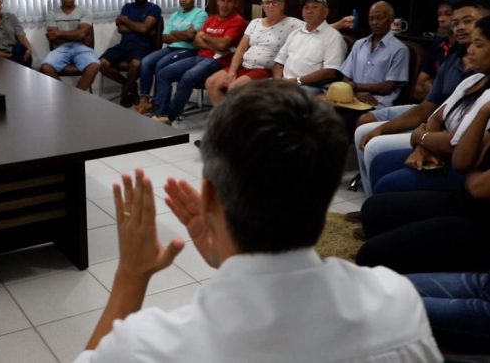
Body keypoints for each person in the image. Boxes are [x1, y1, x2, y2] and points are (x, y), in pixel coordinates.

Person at [75, 80, 440, 362]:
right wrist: (227, 255)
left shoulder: (146, 347)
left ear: (211, 196)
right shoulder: (397, 305)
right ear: (328, 189)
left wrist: (130, 276)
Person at [352, 0, 490, 198]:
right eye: (455, 22)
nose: (459, 27)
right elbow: (430, 108)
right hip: (435, 127)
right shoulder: (455, 58)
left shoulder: (481, 70)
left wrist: (423, 139)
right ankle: (375, 206)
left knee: (374, 148)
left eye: (467, 21)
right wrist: (420, 144)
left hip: (453, 146)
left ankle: (379, 206)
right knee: (365, 131)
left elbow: (461, 144)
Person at [148, 0, 246, 124]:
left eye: (229, 1)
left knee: (187, 77)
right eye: (222, 0)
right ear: (217, 1)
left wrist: (206, 37)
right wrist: (214, 44)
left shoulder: (238, 21)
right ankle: (159, 113)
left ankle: (169, 117)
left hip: (218, 61)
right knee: (164, 73)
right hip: (199, 56)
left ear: (235, 3)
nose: (225, 4)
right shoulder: (212, 19)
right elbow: (196, 42)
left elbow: (223, 45)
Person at [205, 0, 303, 105]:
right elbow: (241, 49)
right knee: (211, 83)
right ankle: (222, 119)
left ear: (282, 5)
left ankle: (235, 119)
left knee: (234, 88)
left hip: (263, 69)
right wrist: (232, 71)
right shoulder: (255, 22)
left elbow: (318, 25)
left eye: (274, 2)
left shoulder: (293, 23)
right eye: (266, 3)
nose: (270, 6)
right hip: (243, 65)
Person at [135, 0, 208, 114]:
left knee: (161, 64)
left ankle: (159, 104)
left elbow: (191, 36)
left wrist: (175, 34)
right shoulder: (175, 15)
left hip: (188, 50)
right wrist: (182, 34)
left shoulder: (200, 14)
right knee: (146, 61)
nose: (184, 0)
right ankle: (145, 99)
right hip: (171, 48)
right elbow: (165, 37)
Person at [99, 0, 162, 107]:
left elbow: (144, 29)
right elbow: (121, 29)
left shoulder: (153, 8)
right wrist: (140, 28)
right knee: (102, 64)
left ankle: (125, 93)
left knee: (135, 64)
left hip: (143, 46)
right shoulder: (127, 7)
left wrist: (126, 21)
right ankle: (131, 86)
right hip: (124, 45)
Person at [338, 1, 409, 109]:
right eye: (371, 19)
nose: (375, 22)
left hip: (377, 104)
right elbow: (346, 78)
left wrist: (354, 86)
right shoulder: (359, 44)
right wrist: (356, 93)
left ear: (391, 20)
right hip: (352, 98)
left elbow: (387, 87)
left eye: (380, 18)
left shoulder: (400, 49)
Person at [273, 0, 347, 94]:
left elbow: (330, 72)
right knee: (254, 93)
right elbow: (279, 63)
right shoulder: (295, 34)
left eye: (314, 7)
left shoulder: (334, 37)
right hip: (285, 83)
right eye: (306, 7)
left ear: (325, 12)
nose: (309, 11)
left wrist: (297, 81)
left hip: (310, 86)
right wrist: (278, 81)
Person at [40, 0, 99, 90]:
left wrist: (60, 33)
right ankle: (66, 96)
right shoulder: (52, 14)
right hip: (61, 49)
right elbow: (54, 39)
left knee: (94, 66)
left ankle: (75, 98)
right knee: (46, 68)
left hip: (81, 48)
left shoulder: (84, 11)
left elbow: (82, 34)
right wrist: (78, 36)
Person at [412, 0, 463, 102]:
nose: (441, 19)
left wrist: (432, 85)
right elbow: (418, 88)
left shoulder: (465, 48)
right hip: (427, 107)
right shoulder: (438, 44)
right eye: (439, 14)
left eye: (448, 14)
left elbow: (455, 97)